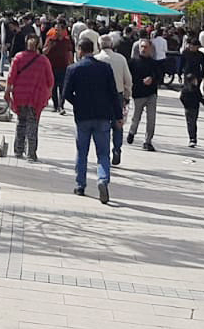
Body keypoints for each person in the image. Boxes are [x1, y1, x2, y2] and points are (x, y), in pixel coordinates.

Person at [63, 34, 123, 203]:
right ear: (94, 50)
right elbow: (113, 94)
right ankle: (102, 179)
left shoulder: (73, 69)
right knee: (103, 153)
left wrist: (77, 103)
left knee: (82, 151)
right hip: (103, 115)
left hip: (83, 116)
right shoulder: (105, 68)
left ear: (80, 51)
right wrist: (118, 116)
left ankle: (80, 185)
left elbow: (66, 93)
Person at [6, 32, 55, 161]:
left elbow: (11, 77)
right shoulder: (43, 61)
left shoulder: (18, 57)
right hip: (36, 96)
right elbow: (50, 80)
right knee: (33, 124)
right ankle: (31, 153)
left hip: (20, 95)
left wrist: (7, 92)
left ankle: (18, 150)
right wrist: (48, 95)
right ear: (38, 45)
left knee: (21, 122)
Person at [98, 34, 131, 167]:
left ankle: (104, 152)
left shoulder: (97, 59)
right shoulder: (121, 59)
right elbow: (128, 80)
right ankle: (117, 148)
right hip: (118, 94)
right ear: (111, 45)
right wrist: (127, 96)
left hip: (101, 96)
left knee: (103, 125)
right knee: (118, 123)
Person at [126, 39, 160, 152]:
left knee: (151, 119)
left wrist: (152, 79)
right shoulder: (133, 62)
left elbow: (159, 76)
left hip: (151, 94)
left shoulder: (154, 63)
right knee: (136, 117)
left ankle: (148, 141)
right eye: (142, 47)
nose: (143, 49)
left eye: (146, 47)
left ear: (150, 49)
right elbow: (128, 77)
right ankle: (132, 132)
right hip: (138, 94)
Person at [179, 36, 204, 148]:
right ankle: (192, 137)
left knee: (195, 93)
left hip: (197, 76)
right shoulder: (185, 53)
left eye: (195, 46)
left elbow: (203, 66)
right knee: (190, 93)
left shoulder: (200, 55)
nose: (192, 47)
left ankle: (193, 137)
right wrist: (179, 73)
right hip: (187, 76)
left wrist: (202, 76)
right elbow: (181, 64)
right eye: (191, 45)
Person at [43, 20, 74, 115]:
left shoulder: (67, 41)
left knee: (62, 87)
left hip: (63, 67)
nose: (56, 32)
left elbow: (70, 52)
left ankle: (61, 106)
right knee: (53, 87)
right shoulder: (50, 39)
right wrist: (49, 46)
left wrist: (72, 64)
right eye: (55, 29)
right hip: (51, 67)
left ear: (63, 30)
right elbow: (44, 52)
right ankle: (55, 105)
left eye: (58, 30)